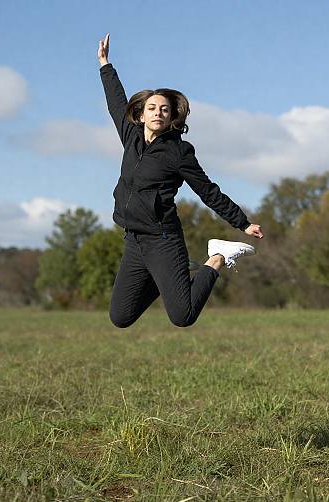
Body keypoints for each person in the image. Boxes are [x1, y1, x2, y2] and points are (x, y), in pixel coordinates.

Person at [98, 33, 263, 328]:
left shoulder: (178, 152)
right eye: (152, 108)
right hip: (134, 241)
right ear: (141, 114)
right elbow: (115, 103)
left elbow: (207, 190)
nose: (158, 112)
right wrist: (105, 64)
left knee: (182, 316)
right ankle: (170, 274)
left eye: (164, 109)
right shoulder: (131, 136)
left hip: (163, 239)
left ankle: (217, 257)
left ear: (172, 115)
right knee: (120, 317)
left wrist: (242, 223)